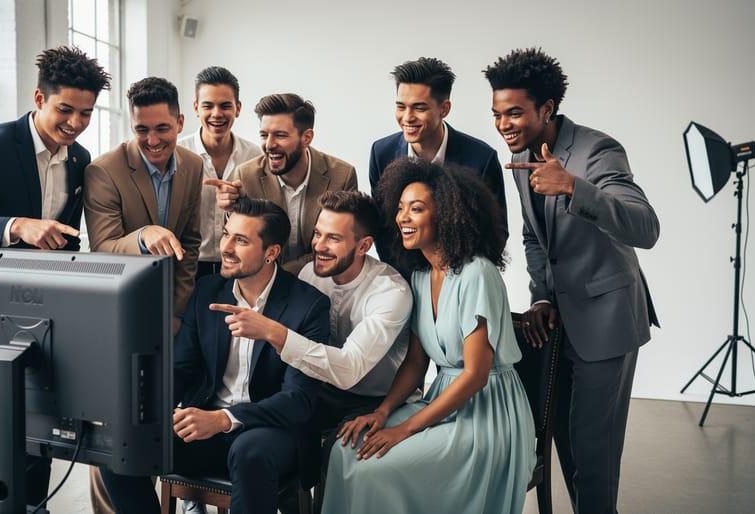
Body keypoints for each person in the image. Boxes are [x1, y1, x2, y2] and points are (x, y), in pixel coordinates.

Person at [0, 46, 111, 514]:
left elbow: (65, 243)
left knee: (40, 440)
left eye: (86, 113)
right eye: (65, 110)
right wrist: (15, 227)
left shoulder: (80, 159)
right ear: (38, 98)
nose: (75, 123)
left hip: (45, 321)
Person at [484, 47, 660, 513]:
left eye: (515, 113)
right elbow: (535, 236)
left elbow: (645, 227)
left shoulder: (597, 150)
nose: (504, 124)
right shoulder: (521, 155)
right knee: (564, 442)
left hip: (607, 319)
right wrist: (541, 297)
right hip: (561, 322)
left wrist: (574, 188)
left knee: (593, 452)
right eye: (498, 114)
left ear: (547, 108)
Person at [322, 159, 535, 513]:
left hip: (486, 416)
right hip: (442, 402)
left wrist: (402, 430)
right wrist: (383, 412)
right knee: (345, 451)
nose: (403, 218)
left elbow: (475, 375)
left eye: (416, 209)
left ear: (447, 214)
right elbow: (416, 361)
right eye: (401, 208)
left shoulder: (477, 274)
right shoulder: (420, 275)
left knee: (375, 470)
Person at [99, 198, 330, 514]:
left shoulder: (309, 306)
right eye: (226, 234)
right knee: (119, 441)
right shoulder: (208, 291)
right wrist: (149, 409)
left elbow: (298, 399)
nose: (226, 247)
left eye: (241, 240)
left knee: (250, 453)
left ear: (271, 253)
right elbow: (182, 369)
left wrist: (224, 419)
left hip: (271, 430)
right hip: (206, 422)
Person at [83, 76, 203, 514]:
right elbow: (103, 247)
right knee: (115, 424)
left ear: (179, 122)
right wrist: (144, 235)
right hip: (118, 314)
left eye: (162, 129)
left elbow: (189, 244)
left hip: (169, 314)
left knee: (157, 414)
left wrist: (175, 311)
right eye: (141, 130)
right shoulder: (103, 170)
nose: (152, 140)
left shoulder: (192, 165)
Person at [211, 190, 413, 432]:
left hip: (374, 401)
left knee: (347, 455)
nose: (319, 246)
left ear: (364, 246)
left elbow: (349, 370)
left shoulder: (390, 292)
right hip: (318, 392)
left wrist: (275, 332)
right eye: (318, 233)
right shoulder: (310, 273)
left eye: (334, 238)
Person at [368, 57, 506, 268]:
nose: (407, 117)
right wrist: (403, 279)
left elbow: (496, 233)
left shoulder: (481, 158)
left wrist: (452, 275)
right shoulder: (382, 153)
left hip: (461, 274)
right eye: (401, 107)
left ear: (444, 109)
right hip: (404, 277)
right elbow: (383, 229)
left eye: (419, 108)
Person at [207, 93, 357, 274]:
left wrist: (284, 273)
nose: (269, 145)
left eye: (280, 135)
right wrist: (232, 209)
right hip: (264, 283)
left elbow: (340, 246)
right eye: (264, 135)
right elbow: (241, 242)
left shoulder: (342, 176)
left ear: (307, 138)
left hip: (321, 279)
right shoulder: (246, 175)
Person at [178, 66, 262, 279]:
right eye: (208, 106)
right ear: (196, 108)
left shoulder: (255, 156)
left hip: (240, 269)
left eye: (225, 106)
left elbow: (263, 216)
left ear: (238, 108)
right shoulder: (177, 154)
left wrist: (242, 204)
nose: (217, 114)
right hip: (187, 268)